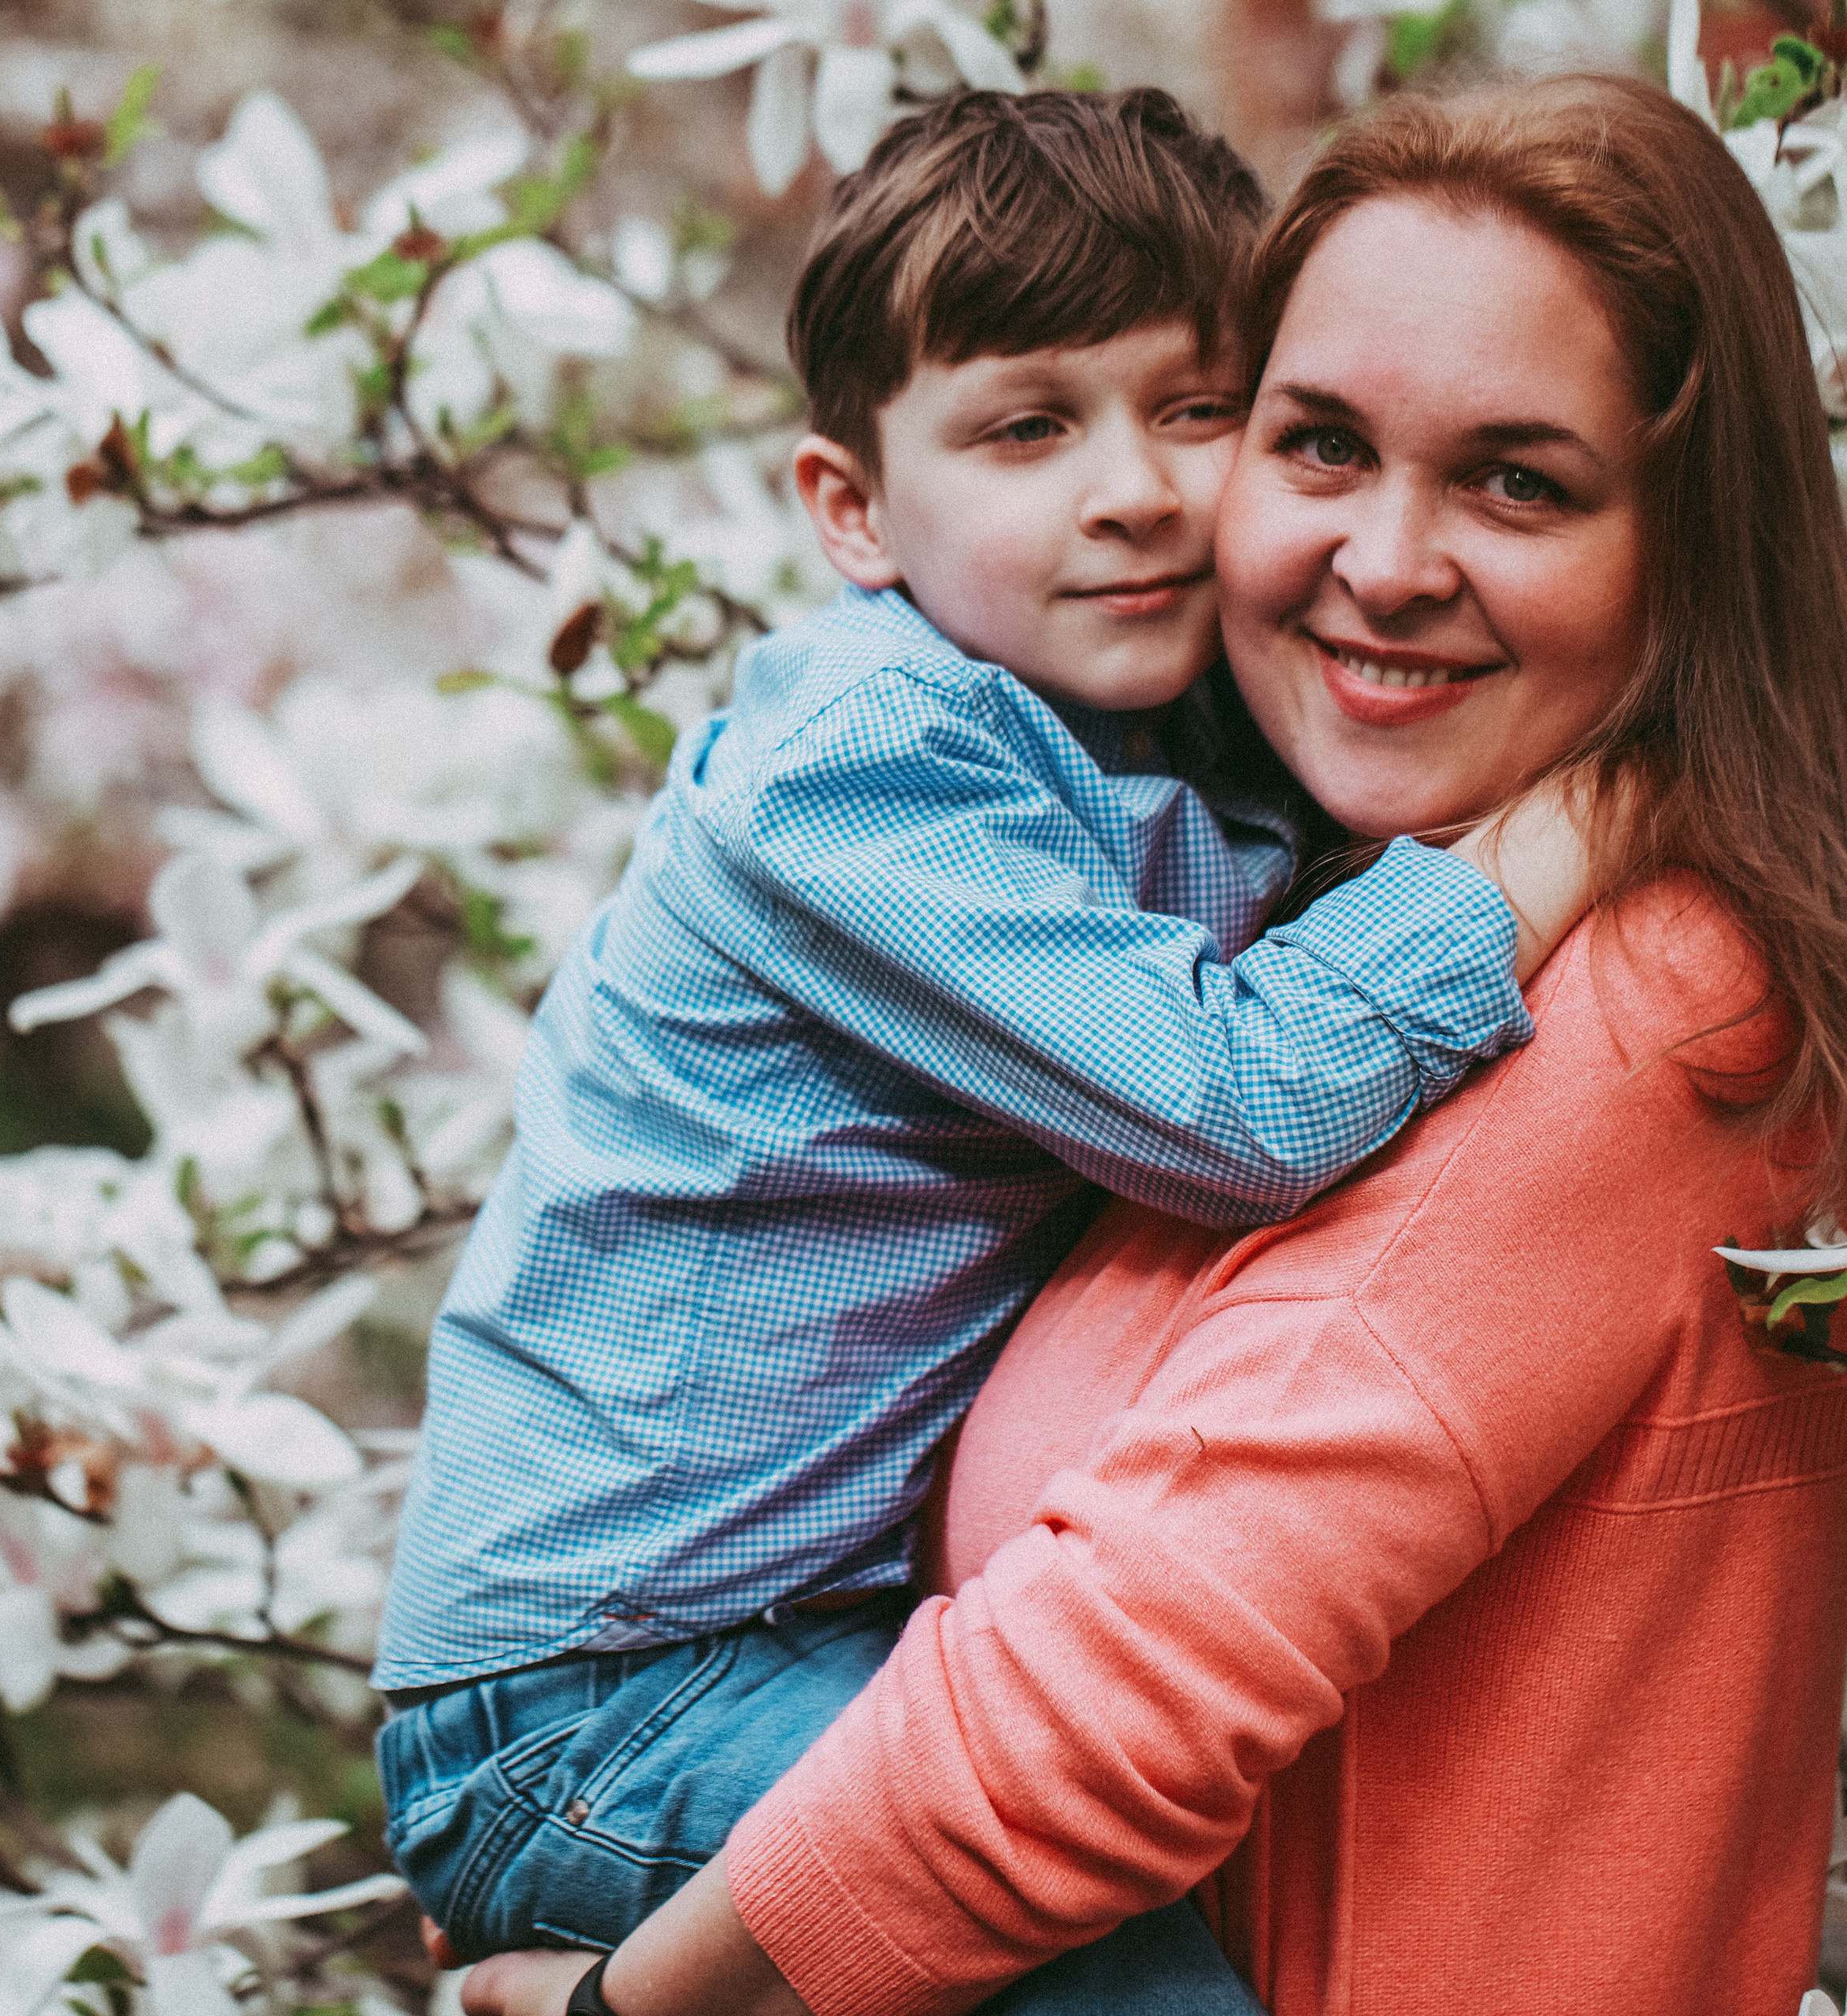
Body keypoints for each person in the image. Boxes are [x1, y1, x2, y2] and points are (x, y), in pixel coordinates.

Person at [463, 72, 1847, 2016]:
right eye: (1314, 444)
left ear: (1689, 546)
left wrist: (642, 2005)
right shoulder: (1218, 903)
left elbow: (1109, 1683)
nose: (1381, 559)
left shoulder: (1635, 1006)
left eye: (1516, 480)